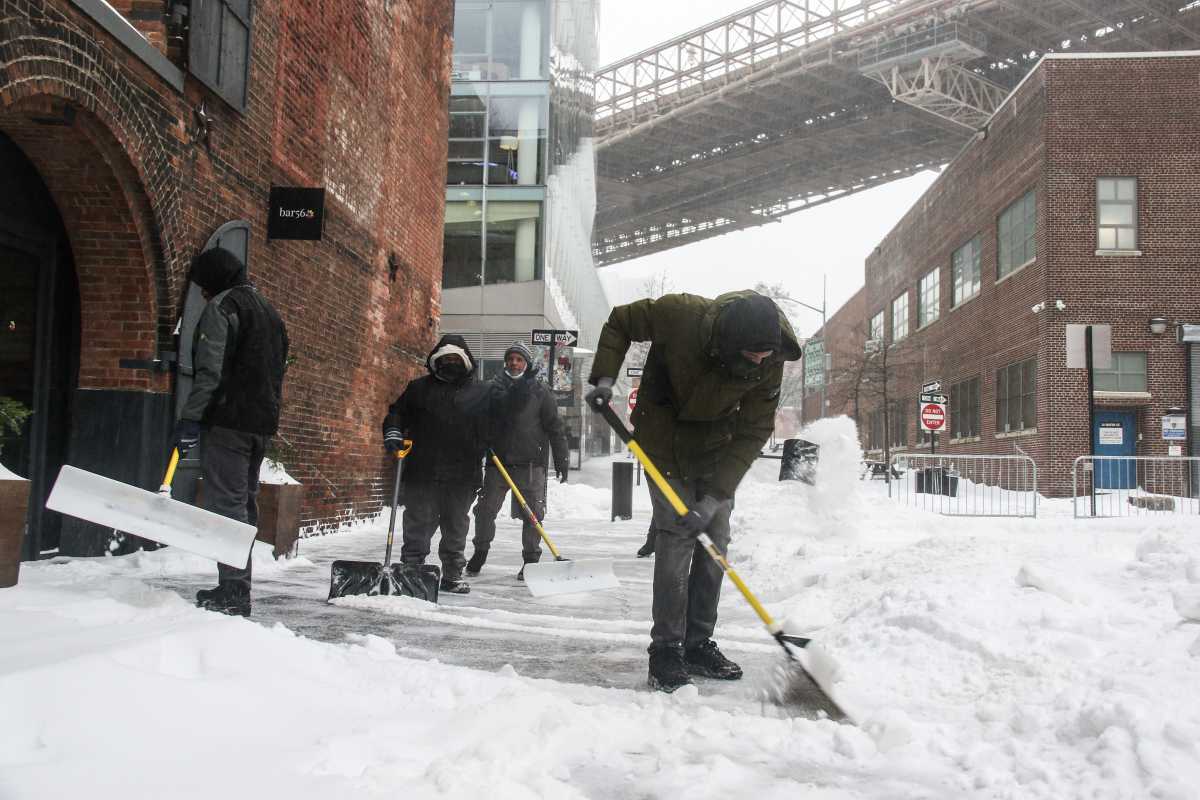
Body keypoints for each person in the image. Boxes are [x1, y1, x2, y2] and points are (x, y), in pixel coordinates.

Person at [586, 290, 800, 692]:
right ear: (729, 341)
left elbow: (755, 429)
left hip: (718, 450)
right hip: (663, 442)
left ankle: (698, 642)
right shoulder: (679, 315)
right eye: (753, 353)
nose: (760, 360)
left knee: (715, 538)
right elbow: (620, 321)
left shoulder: (771, 357)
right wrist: (603, 377)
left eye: (765, 354)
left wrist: (716, 496)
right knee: (677, 535)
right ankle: (665, 650)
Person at [174, 248, 288, 617]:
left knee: (226, 506)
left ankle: (234, 590)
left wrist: (191, 419)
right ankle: (237, 584)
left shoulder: (224, 308)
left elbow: (210, 372)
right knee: (244, 504)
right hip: (259, 425)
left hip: (228, 423)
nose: (204, 295)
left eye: (204, 287)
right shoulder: (270, 313)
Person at [382, 335, 488, 594]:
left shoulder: (480, 392)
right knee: (418, 521)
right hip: (423, 470)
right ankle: (412, 569)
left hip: (463, 473)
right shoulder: (418, 389)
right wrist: (393, 431)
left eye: (455, 359)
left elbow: (496, 423)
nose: (450, 363)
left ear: (465, 362)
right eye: (445, 359)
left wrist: (492, 437)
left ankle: (452, 575)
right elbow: (397, 412)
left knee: (456, 526)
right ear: (435, 361)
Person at [467, 342, 569, 580]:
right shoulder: (492, 388)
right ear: (506, 361)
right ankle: (480, 552)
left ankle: (531, 560)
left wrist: (562, 460)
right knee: (484, 511)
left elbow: (555, 428)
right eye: (510, 358)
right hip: (497, 463)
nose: (514, 362)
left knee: (533, 516)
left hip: (530, 464)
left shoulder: (540, 391)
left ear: (526, 363)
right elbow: (479, 421)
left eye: (519, 359)